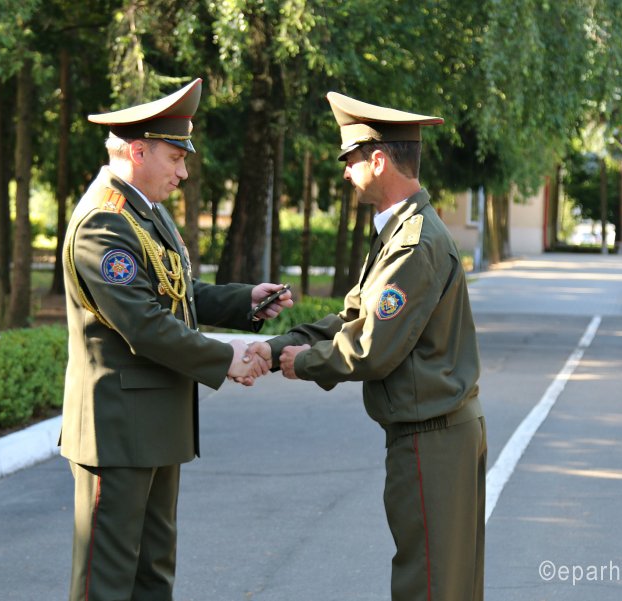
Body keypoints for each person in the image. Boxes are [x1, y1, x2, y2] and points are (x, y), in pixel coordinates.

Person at [60, 77, 292, 601]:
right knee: (106, 583)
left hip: (155, 424)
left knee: (153, 576)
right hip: (118, 432)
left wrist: (244, 301)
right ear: (138, 151)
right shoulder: (104, 223)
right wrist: (226, 357)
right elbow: (143, 324)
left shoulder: (146, 211)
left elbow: (176, 293)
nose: (183, 172)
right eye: (175, 157)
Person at [248, 91, 486, 601]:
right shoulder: (399, 233)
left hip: (432, 438)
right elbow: (353, 318)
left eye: (350, 159)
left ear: (378, 161)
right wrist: (278, 348)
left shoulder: (413, 243)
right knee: (444, 584)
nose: (345, 172)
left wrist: (303, 363)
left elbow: (372, 348)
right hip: (436, 433)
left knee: (429, 587)